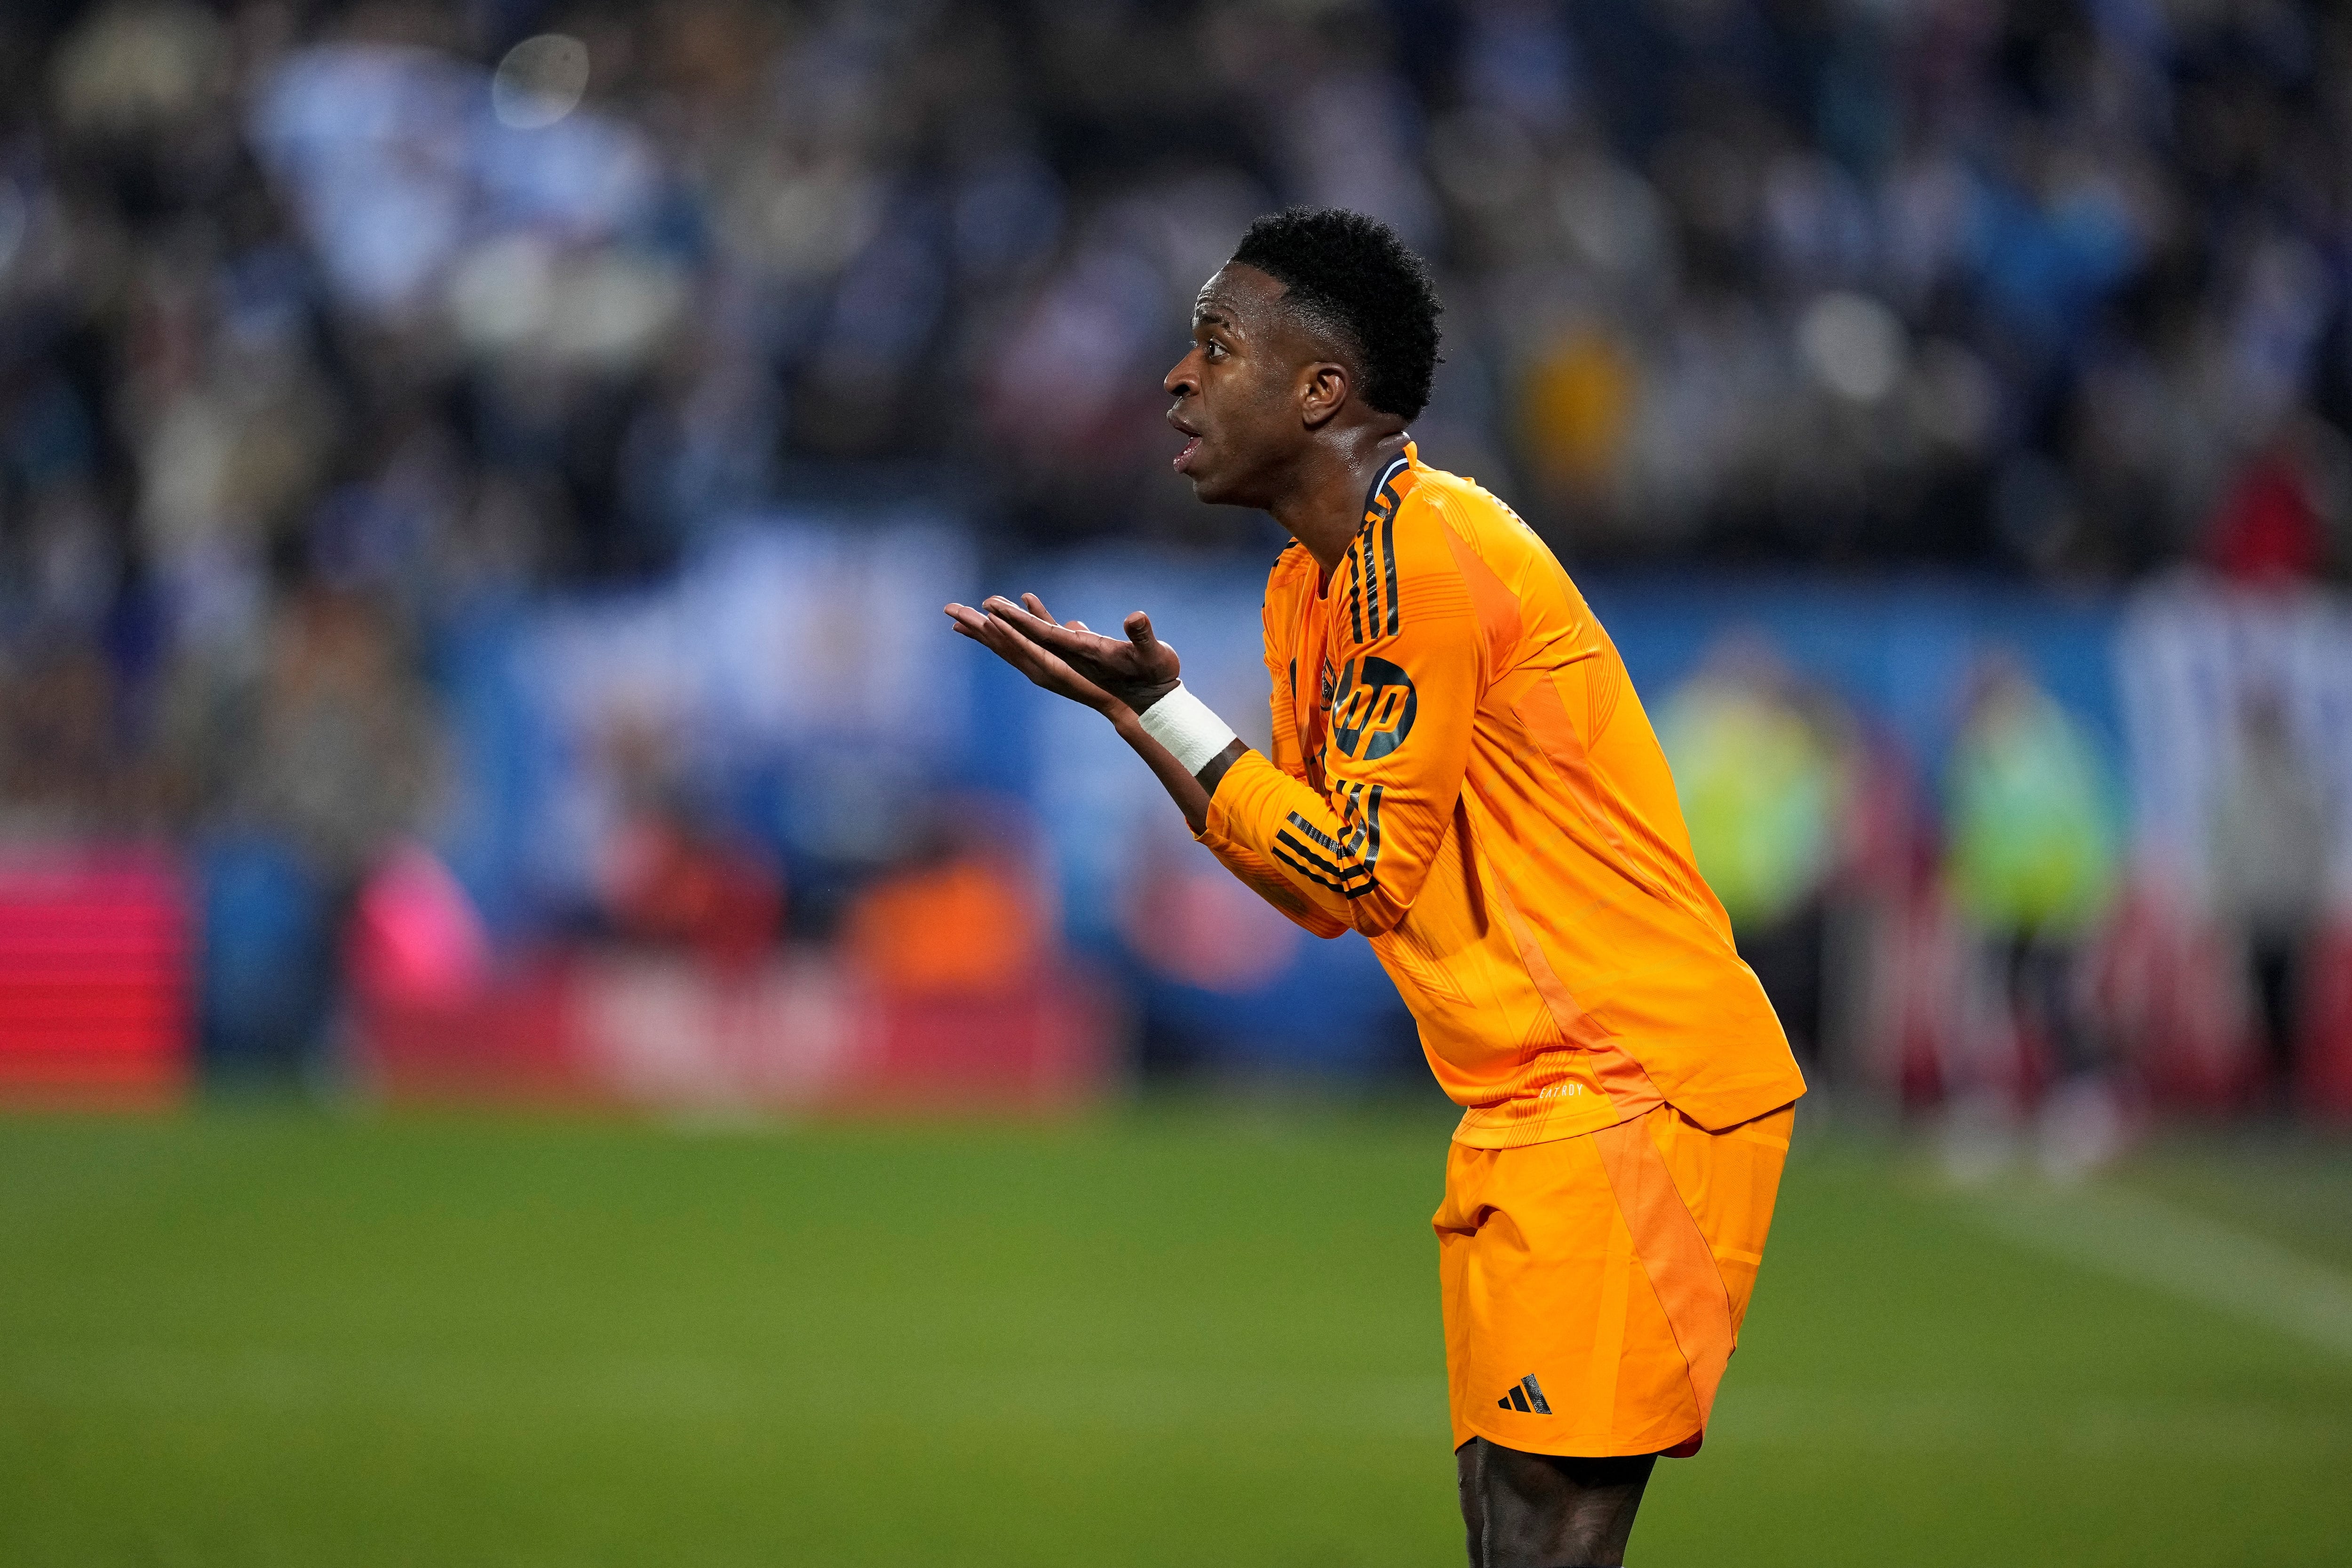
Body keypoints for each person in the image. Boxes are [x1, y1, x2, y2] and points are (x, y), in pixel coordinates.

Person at [947, 208, 1804, 1568]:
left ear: (1320, 390)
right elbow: (1327, 889)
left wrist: (1174, 729)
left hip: (1631, 1086)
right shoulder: (1312, 589)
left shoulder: (1430, 547)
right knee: (1502, 1526)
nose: (1176, 376)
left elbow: (1350, 858)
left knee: (1540, 1530)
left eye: (1215, 346)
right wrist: (1162, 719)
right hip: (1527, 1099)